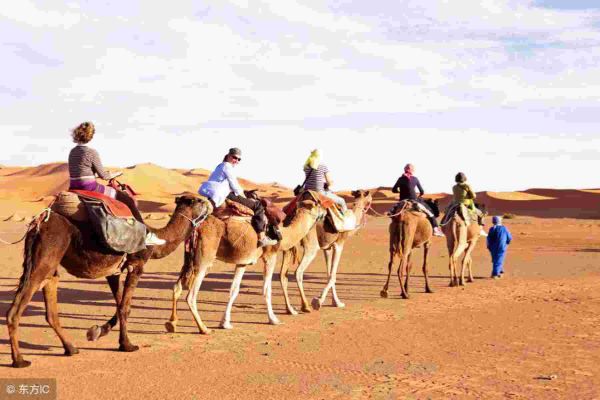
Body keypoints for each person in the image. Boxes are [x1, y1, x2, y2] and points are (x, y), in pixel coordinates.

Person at [67, 121, 165, 246]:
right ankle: (146, 235)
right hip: (89, 187)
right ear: (91, 136)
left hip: (74, 186)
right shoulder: (91, 153)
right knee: (126, 199)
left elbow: (82, 172)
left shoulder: (73, 152)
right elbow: (104, 176)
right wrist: (115, 174)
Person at [199, 147, 277, 247]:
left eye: (239, 159)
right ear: (228, 156)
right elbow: (234, 185)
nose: (236, 160)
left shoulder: (220, 166)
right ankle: (262, 237)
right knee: (258, 206)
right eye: (234, 157)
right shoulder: (227, 166)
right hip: (222, 194)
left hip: (213, 193)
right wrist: (245, 197)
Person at [391, 164, 444, 237]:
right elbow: (422, 191)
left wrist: (400, 191)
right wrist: (419, 195)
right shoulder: (415, 179)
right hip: (414, 199)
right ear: (412, 170)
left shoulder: (400, 179)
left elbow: (393, 190)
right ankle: (435, 229)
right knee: (430, 213)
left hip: (402, 200)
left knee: (392, 212)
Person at [452, 172, 487, 236]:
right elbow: (474, 196)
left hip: (455, 204)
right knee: (480, 213)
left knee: (448, 212)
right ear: (464, 178)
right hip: (466, 204)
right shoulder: (467, 186)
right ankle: (480, 228)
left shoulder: (454, 187)